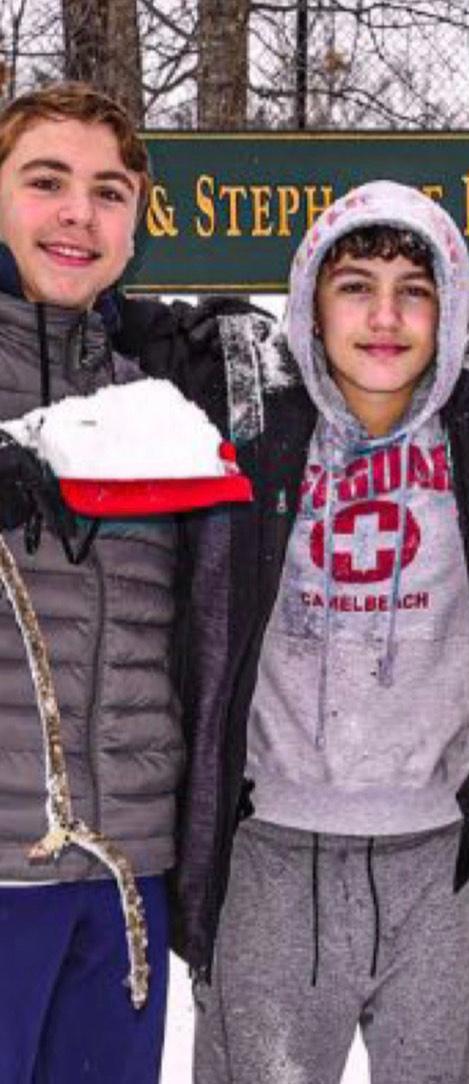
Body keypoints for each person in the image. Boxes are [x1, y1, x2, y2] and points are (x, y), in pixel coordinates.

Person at [166, 178, 469, 1084]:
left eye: (414, 291)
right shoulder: (247, 415)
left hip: (445, 864)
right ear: (310, 303)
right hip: (270, 854)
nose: (384, 317)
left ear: (448, 309)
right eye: (354, 287)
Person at [0, 82, 224, 1084]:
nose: (77, 215)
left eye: (108, 192)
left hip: (123, 873)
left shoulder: (158, 393)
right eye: (46, 182)